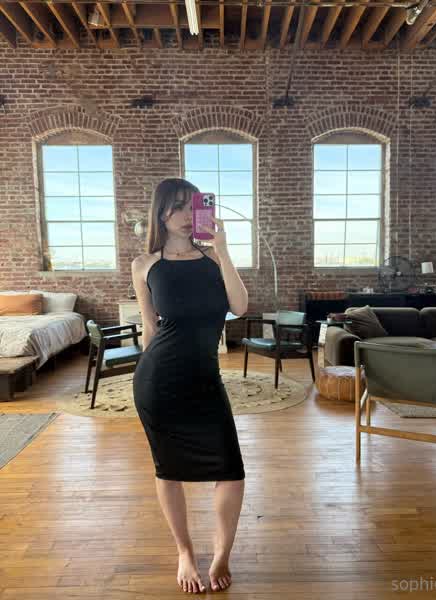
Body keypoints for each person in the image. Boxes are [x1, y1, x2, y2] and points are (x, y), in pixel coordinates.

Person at [132, 178, 248, 594]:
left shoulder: (214, 258)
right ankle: (184, 551)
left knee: (231, 471)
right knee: (168, 470)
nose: (185, 215)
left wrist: (223, 249)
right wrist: (143, 376)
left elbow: (240, 307)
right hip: (158, 380)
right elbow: (149, 327)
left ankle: (221, 554)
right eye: (176, 207)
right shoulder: (144, 265)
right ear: (160, 212)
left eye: (191, 206)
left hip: (205, 378)